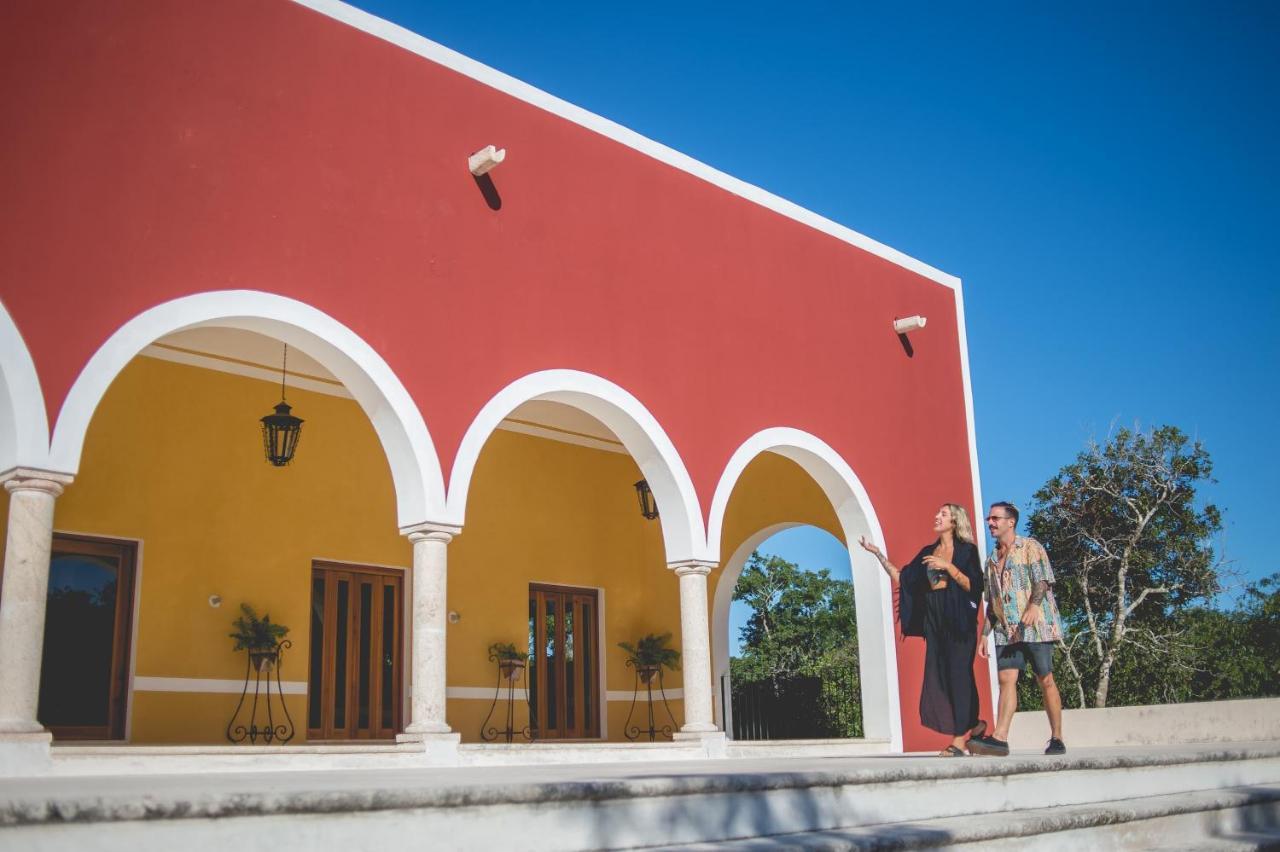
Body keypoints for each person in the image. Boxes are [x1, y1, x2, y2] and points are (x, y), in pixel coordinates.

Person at [859, 504, 985, 756]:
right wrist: (878, 555)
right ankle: (975, 724)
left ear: (955, 521)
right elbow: (903, 578)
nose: (937, 516)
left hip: (959, 623)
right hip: (935, 623)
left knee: (959, 675)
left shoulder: (966, 551)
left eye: (944, 514)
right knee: (944, 677)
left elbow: (974, 585)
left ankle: (959, 741)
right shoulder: (928, 552)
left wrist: (948, 567)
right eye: (937, 512)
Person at [969, 501, 1067, 757]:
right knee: (1006, 680)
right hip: (1006, 630)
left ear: (1010, 522)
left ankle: (1057, 737)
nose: (990, 523)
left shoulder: (1030, 547)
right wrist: (984, 634)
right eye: (989, 519)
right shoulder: (991, 561)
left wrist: (1034, 606)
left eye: (995, 519)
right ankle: (1000, 737)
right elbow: (993, 602)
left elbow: (1043, 580)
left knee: (1045, 679)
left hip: (1036, 627)